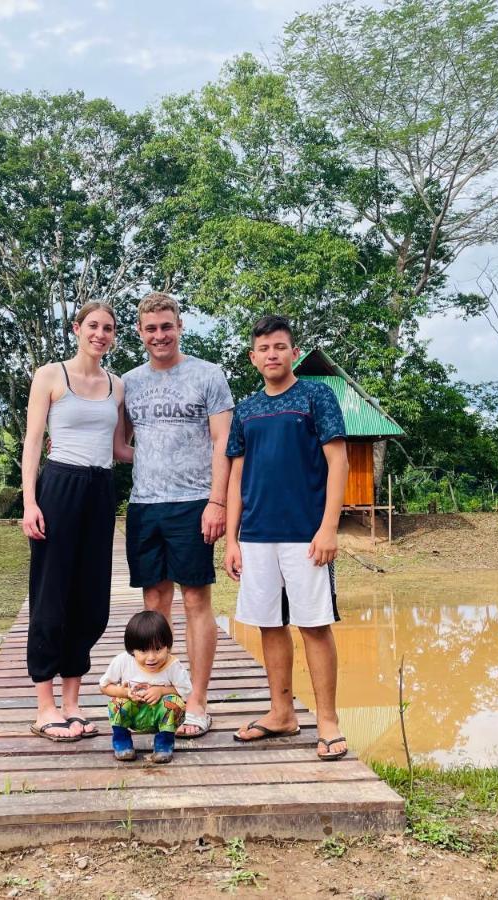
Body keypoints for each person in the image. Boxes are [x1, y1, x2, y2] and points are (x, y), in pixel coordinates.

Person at [223, 314, 350, 761]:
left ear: (293, 352)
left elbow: (339, 463)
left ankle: (328, 721)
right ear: (253, 357)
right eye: (264, 349)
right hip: (256, 536)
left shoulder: (317, 395)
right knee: (269, 625)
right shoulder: (247, 409)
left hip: (305, 535)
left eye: (280, 347)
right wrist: (232, 539)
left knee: (314, 624)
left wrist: (329, 527)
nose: (272, 355)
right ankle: (282, 713)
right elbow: (237, 475)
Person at [20, 301, 134, 742]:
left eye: (108, 328)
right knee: (51, 594)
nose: (100, 334)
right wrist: (30, 502)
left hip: (100, 490)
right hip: (59, 486)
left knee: (90, 598)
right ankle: (44, 706)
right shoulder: (50, 376)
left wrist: (180, 451)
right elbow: (33, 442)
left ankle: (72, 702)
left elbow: (121, 449)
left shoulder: (117, 386)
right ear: (76, 329)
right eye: (92, 326)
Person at [122, 292, 233, 739]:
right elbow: (118, 443)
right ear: (140, 332)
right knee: (155, 605)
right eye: (151, 328)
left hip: (194, 502)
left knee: (196, 601)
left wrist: (217, 501)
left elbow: (224, 441)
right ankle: (162, 697)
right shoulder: (128, 382)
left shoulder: (207, 375)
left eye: (166, 326)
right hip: (145, 504)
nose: (159, 335)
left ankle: (197, 701)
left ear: (179, 326)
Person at [99, 610, 194, 764]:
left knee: (174, 702)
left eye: (158, 649)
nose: (151, 657)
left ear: (167, 646)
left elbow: (186, 691)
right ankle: (122, 741)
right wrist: (124, 692)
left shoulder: (173, 666)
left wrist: (162, 690)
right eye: (143, 651)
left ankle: (164, 744)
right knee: (118, 702)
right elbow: (104, 686)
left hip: (160, 715)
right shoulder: (123, 661)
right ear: (132, 650)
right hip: (134, 712)